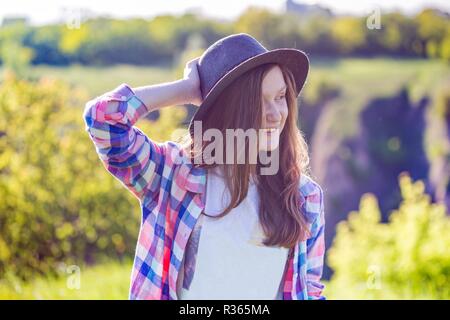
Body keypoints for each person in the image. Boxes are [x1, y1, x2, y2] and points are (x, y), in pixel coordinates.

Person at [83, 33, 326, 300]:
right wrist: (186, 89)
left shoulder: (304, 196)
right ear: (228, 111)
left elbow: (309, 290)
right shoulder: (171, 174)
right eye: (258, 101)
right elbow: (103, 120)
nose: (275, 114)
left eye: (280, 97)